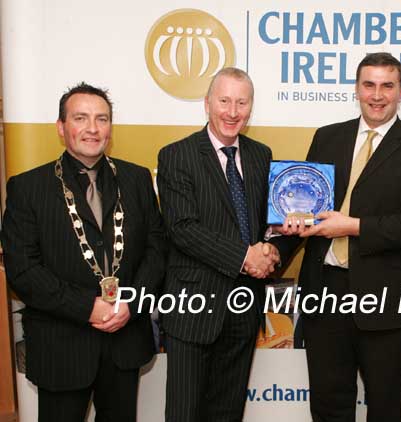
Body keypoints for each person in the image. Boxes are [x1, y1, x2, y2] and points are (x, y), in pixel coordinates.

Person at [273, 52, 401, 421]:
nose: (377, 95)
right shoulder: (327, 137)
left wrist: (354, 227)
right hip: (325, 291)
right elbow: (309, 205)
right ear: (356, 88)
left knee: (383, 407)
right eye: (369, 84)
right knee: (328, 404)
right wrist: (280, 239)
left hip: (385, 298)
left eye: (387, 85)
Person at [1, 82, 166, 422]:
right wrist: (86, 307)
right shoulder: (28, 187)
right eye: (81, 118)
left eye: (102, 119)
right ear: (61, 128)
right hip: (63, 346)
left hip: (125, 339)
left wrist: (132, 303)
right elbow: (23, 269)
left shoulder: (135, 179)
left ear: (110, 128)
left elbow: (156, 247)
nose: (93, 128)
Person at [157, 67, 280, 422]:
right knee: (185, 412)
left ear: (251, 107)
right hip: (193, 308)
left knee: (228, 413)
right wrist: (246, 257)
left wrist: (272, 250)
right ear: (207, 102)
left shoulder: (262, 155)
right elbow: (182, 228)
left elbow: (269, 222)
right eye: (224, 100)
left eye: (242, 102)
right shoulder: (176, 155)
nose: (232, 111)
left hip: (244, 308)